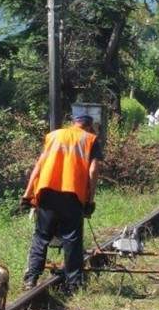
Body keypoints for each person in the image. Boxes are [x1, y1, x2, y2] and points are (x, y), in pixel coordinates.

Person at [20, 109, 103, 291]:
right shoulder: (90, 139)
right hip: (72, 194)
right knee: (72, 238)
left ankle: (30, 279)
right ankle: (74, 284)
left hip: (46, 190)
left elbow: (39, 165)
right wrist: (90, 199)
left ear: (74, 122)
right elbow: (93, 170)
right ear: (88, 126)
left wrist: (28, 193)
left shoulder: (53, 136)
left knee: (41, 236)